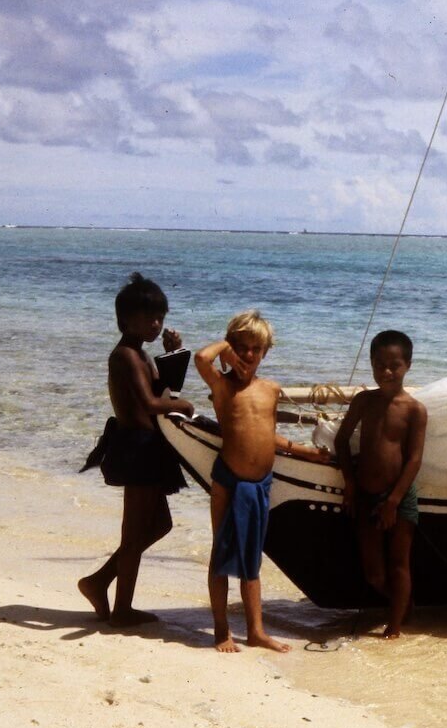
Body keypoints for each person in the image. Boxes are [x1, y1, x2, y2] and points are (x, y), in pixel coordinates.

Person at [195, 310, 327, 653]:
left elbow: (268, 436)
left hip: (260, 484)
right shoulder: (222, 386)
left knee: (252, 559)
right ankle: (221, 629)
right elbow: (200, 358)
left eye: (256, 348)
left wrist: (306, 452)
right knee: (220, 556)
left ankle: (256, 630)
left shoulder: (270, 389)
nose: (249, 355)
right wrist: (225, 347)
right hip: (228, 480)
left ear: (265, 352)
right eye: (242, 347)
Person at [79, 272, 195, 626]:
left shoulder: (142, 355)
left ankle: (99, 582)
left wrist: (173, 355)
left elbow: (163, 389)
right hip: (136, 449)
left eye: (160, 317)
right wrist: (182, 406)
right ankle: (120, 608)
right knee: (133, 535)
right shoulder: (125, 356)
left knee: (159, 524)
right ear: (125, 320)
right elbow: (150, 403)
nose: (157, 324)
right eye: (149, 318)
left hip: (149, 449)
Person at [334, 330, 427, 639]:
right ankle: (405, 603)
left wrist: (393, 501)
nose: (387, 371)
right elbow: (342, 440)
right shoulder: (364, 401)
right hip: (365, 493)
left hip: (398, 496)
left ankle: (395, 625)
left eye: (395, 365)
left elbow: (414, 459)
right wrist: (349, 481)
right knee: (374, 573)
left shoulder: (414, 409)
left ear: (408, 365)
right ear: (371, 364)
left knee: (400, 563)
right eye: (379, 364)